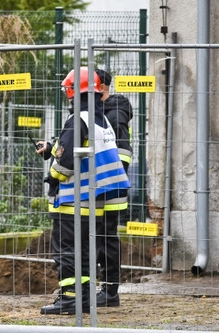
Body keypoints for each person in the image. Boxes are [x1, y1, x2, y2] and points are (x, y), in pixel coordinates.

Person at [34, 68, 131, 315]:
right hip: (92, 199)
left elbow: (65, 163)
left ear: (71, 92)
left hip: (72, 199)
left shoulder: (78, 119)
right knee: (85, 250)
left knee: (66, 250)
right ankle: (84, 298)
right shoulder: (102, 120)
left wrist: (52, 175)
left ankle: (69, 299)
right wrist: (54, 149)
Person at [94, 68, 133, 307]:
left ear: (102, 88)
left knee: (106, 238)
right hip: (98, 187)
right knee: (99, 238)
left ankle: (109, 292)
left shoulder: (115, 116)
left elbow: (123, 155)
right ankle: (104, 289)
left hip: (108, 189)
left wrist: (109, 182)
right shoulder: (100, 113)